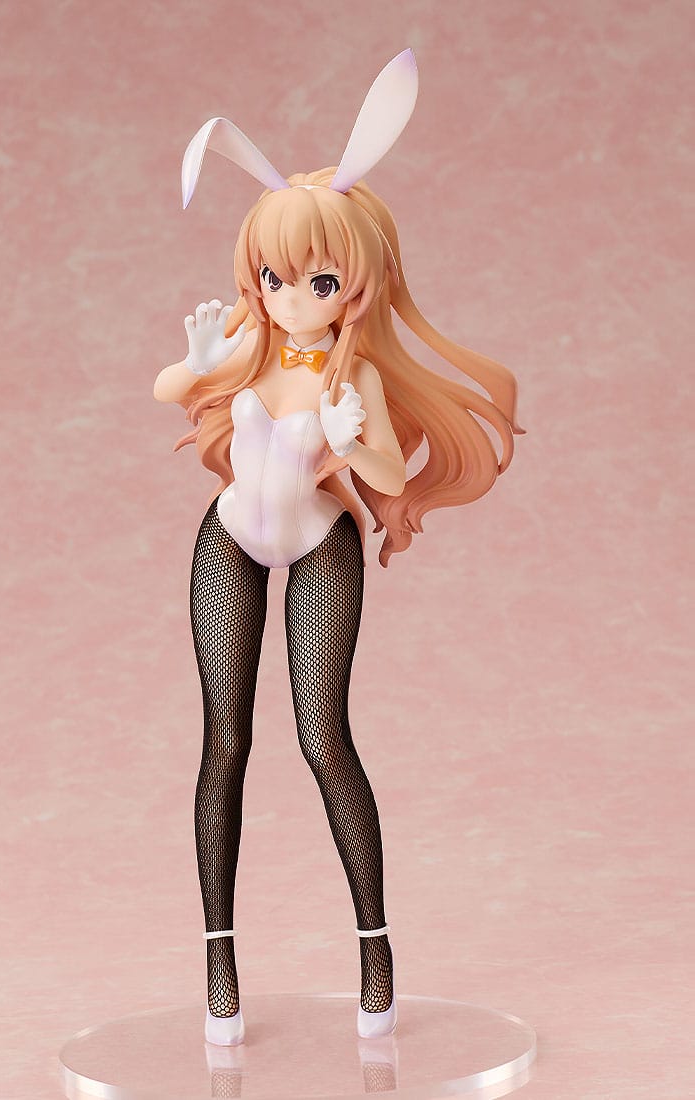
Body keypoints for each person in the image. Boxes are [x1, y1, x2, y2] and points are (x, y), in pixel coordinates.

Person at [153, 51, 522, 1047]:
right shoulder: (250, 349)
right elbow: (169, 391)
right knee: (224, 740)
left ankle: (375, 947)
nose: (289, 296)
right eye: (273, 277)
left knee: (323, 739)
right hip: (230, 539)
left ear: (352, 285)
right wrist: (194, 365)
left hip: (322, 543)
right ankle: (219, 957)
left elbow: (391, 473)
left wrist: (354, 438)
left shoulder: (349, 379)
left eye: (315, 280)